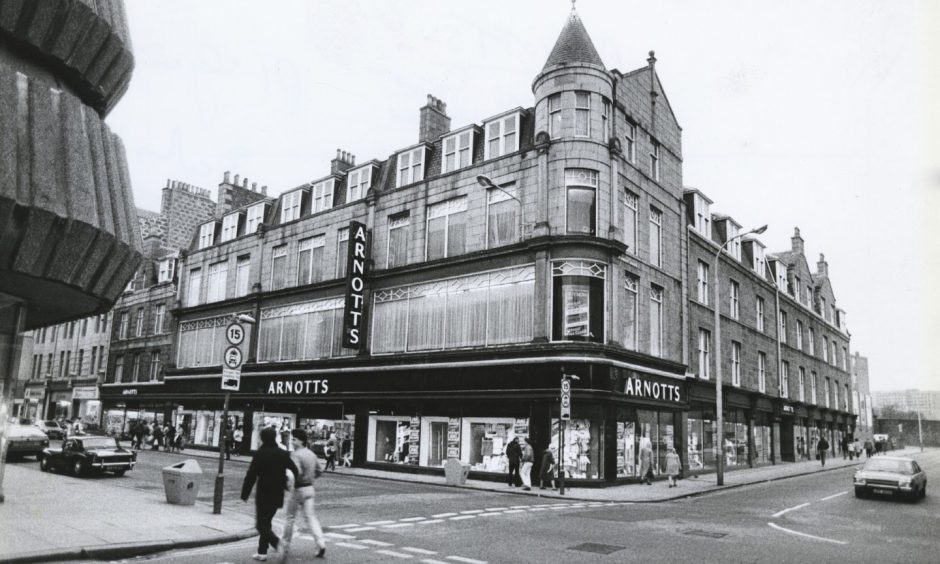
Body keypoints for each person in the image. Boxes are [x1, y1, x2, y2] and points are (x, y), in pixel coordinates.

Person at [241, 427, 300, 562]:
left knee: (261, 525)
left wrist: (245, 494)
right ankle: (262, 552)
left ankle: (278, 543)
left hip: (263, 494)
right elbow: (294, 470)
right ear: (274, 437)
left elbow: (251, 475)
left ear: (262, 438)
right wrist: (289, 483)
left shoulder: (260, 454)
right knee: (266, 522)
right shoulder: (282, 453)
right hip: (278, 494)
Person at [280, 429, 327, 561]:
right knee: (311, 518)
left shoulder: (295, 455)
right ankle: (321, 543)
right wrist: (311, 477)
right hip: (310, 489)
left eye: (294, 439)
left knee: (290, 518)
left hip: (298, 489)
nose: (292, 441)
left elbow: (296, 472)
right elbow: (319, 470)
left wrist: (288, 482)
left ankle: (285, 546)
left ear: (301, 441)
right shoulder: (312, 454)